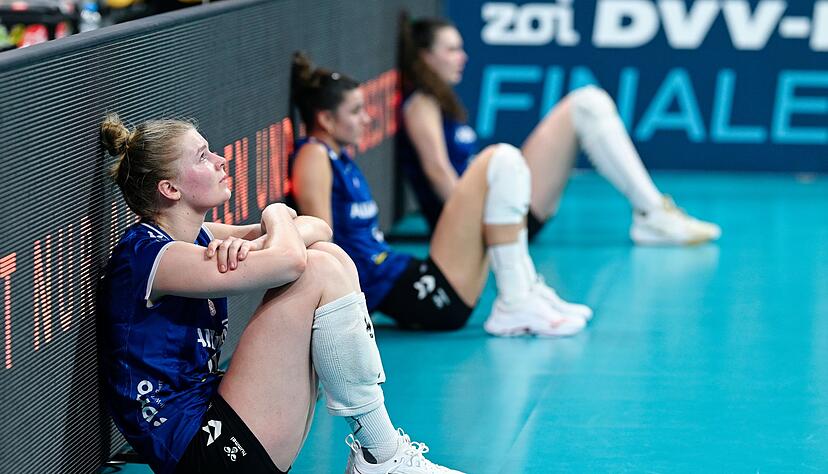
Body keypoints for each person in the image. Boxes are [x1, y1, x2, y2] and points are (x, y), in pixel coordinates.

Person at [97, 114, 461, 474]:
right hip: (202, 453)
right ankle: (382, 456)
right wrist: (275, 213)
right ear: (170, 189)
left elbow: (320, 229)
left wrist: (263, 241)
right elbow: (290, 260)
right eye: (202, 157)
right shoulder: (154, 255)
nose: (220, 160)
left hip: (214, 423)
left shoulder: (201, 235)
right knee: (315, 269)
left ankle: (380, 452)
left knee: (327, 257)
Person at [289, 52, 591, 341]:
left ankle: (523, 291)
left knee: (504, 161)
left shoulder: (340, 159)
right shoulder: (314, 154)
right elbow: (320, 240)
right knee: (500, 160)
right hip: (414, 296)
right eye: (355, 112)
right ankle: (516, 301)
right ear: (326, 120)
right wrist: (345, 314)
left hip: (412, 278)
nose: (366, 119)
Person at [397, 15, 721, 245]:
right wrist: (476, 229)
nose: (462, 57)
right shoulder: (421, 105)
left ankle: (653, 212)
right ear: (425, 57)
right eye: (451, 49)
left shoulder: (439, 100)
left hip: (497, 205)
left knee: (589, 103)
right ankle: (653, 214)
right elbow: (437, 171)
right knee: (585, 103)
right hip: (487, 217)